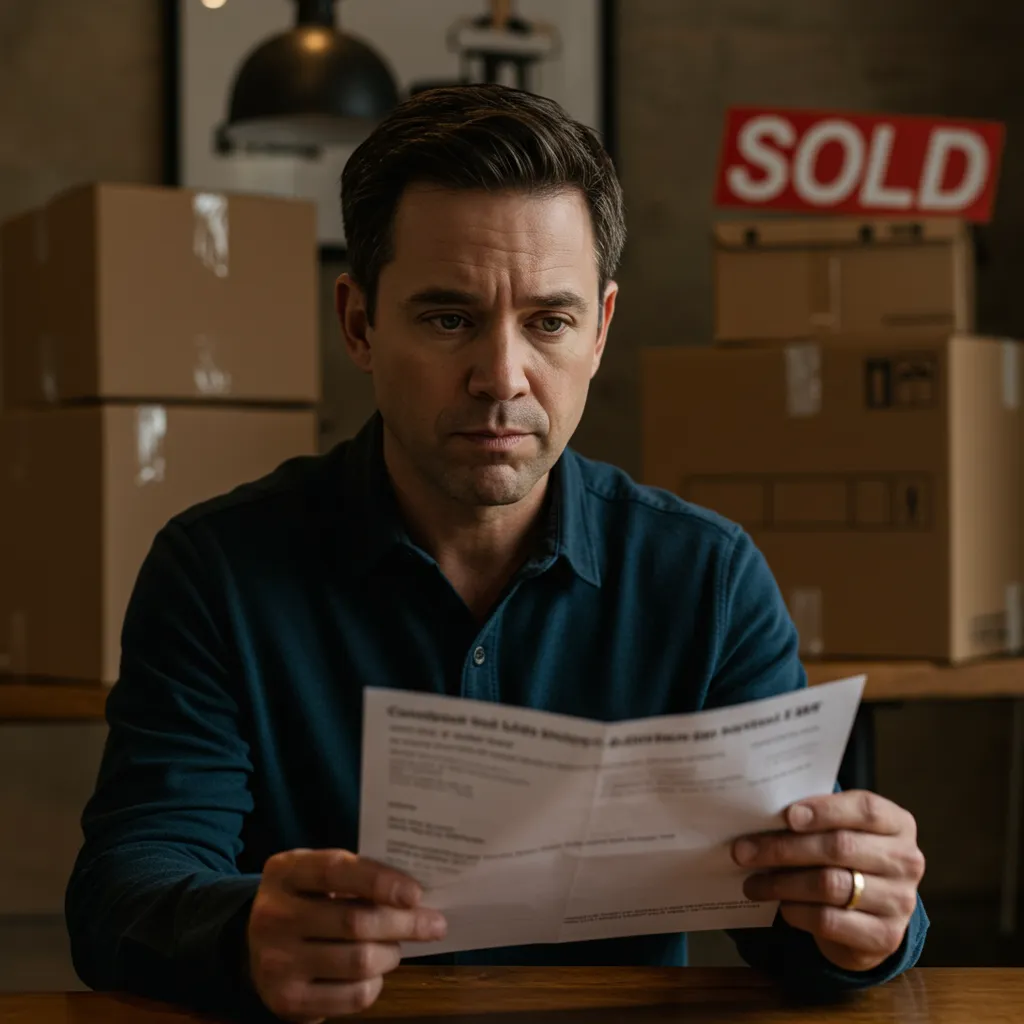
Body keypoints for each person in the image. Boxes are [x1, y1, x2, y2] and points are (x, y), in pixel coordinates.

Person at [66, 84, 927, 1023]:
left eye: (548, 323)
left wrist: (864, 918)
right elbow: (124, 888)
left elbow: (798, 926)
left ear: (599, 330)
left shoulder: (705, 579)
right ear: (358, 323)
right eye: (449, 319)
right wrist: (243, 932)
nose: (502, 378)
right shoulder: (216, 572)